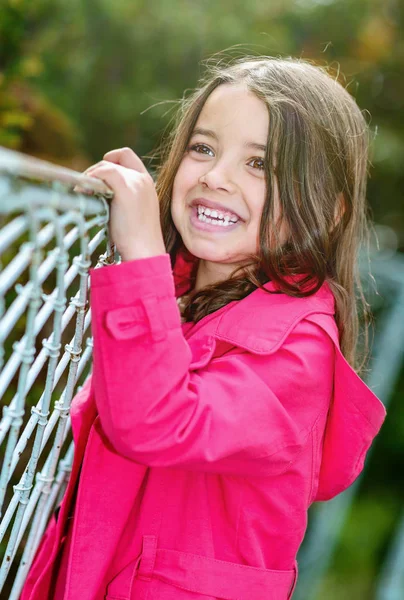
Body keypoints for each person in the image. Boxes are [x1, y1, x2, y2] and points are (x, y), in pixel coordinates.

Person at [20, 56, 387, 600]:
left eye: (259, 164)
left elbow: (155, 420)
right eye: (204, 148)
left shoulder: (301, 352)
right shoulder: (179, 299)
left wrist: (142, 252)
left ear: (327, 210)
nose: (216, 177)